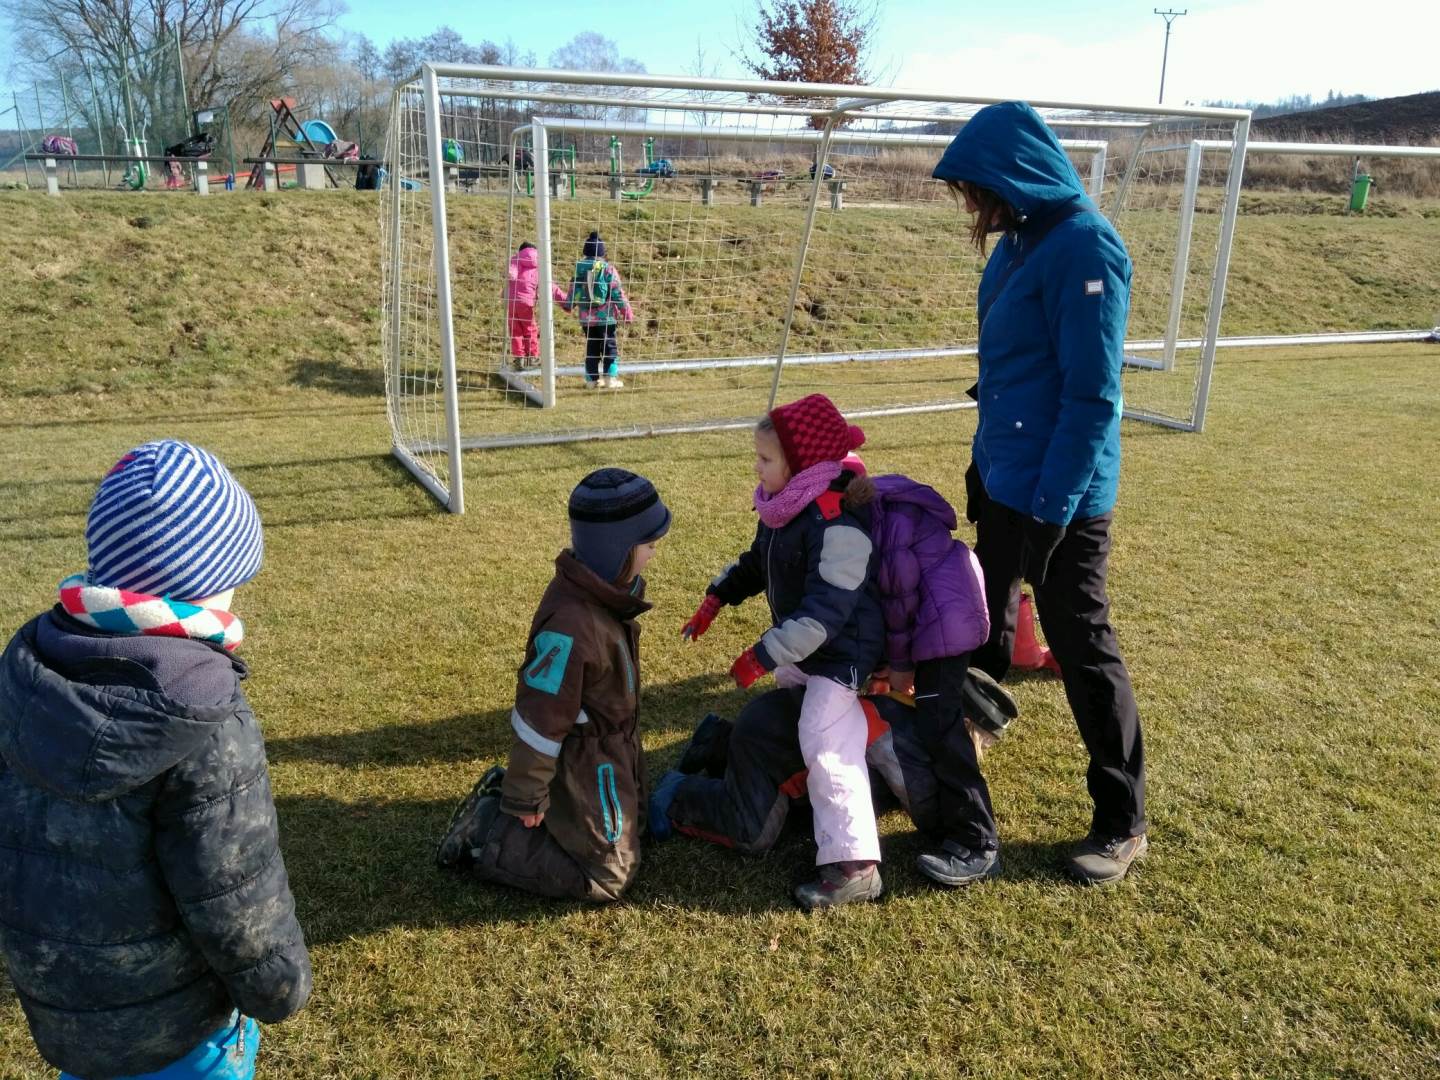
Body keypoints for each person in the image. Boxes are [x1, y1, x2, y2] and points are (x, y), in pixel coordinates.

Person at [0, 440, 312, 1080]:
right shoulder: (205, 719)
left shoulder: (27, 677)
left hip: (64, 1015)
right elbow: (233, 890)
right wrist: (279, 987)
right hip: (184, 1032)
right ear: (203, 586)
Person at [932, 100, 1147, 885]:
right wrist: (984, 464)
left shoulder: (1087, 247)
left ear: (1012, 176)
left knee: (1080, 642)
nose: (973, 210)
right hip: (1006, 475)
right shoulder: (1017, 242)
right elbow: (1011, 368)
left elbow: (1092, 398)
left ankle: (1122, 820)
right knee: (980, 620)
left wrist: (1052, 514)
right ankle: (966, 747)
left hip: (1064, 495)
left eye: (977, 192)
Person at [667, 394, 885, 910]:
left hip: (841, 655)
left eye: (765, 459)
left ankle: (856, 865)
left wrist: (762, 655)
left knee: (824, 741)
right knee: (787, 722)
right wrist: (717, 597)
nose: (757, 467)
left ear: (801, 464)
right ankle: (757, 767)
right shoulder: (783, 506)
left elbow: (824, 616)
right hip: (806, 651)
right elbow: (757, 560)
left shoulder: (837, 522)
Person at [436, 468, 670, 902]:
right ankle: (491, 829)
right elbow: (540, 718)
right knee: (609, 877)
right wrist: (526, 794)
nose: (655, 553)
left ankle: (547, 811)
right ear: (615, 550)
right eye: (649, 545)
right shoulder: (570, 626)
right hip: (582, 761)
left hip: (610, 753)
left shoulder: (606, 594)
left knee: (635, 835)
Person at [651, 674, 1016, 862]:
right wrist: (962, 828)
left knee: (816, 819)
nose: (979, 754)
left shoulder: (909, 711)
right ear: (963, 726)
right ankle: (677, 793)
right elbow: (924, 804)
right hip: (768, 742)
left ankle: (718, 741)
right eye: (981, 743)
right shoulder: (903, 731)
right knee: (751, 834)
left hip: (777, 726)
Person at [862, 461, 1002, 887]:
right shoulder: (884, 507)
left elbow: (899, 601)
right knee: (937, 706)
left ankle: (978, 842)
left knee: (938, 722)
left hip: (944, 620)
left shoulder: (882, 524)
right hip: (951, 608)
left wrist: (902, 666)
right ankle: (972, 704)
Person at [559, 231, 634, 389]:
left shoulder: (579, 269)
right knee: (609, 347)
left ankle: (591, 380)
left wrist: (569, 305)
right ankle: (610, 379)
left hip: (586, 319)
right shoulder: (607, 269)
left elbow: (573, 290)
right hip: (606, 318)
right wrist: (626, 312)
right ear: (602, 253)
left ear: (585, 251)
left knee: (592, 348)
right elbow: (617, 293)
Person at [503, 241, 567, 368]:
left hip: (511, 302)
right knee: (530, 329)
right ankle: (532, 357)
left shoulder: (515, 260)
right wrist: (566, 301)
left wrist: (504, 292)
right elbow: (551, 287)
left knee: (515, 331)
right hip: (527, 303)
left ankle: (519, 359)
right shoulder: (539, 267)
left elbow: (510, 277)